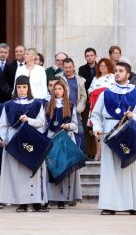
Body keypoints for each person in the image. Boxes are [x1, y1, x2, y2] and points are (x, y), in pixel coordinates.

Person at [92, 62, 136, 215]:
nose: (117, 73)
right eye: (116, 71)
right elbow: (96, 115)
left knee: (132, 169)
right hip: (110, 131)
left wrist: (133, 115)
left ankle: (135, 205)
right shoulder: (106, 93)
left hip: (130, 133)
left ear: (128, 74)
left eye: (121, 71)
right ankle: (110, 205)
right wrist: (96, 128)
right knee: (111, 169)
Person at [0, 75, 48, 212]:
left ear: (28, 88)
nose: (21, 90)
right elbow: (2, 125)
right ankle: (22, 202)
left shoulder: (37, 104)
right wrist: (2, 139)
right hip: (15, 139)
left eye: (24, 87)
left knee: (34, 170)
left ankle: (37, 202)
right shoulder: (8, 105)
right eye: (19, 87)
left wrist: (28, 120)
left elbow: (42, 123)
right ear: (15, 88)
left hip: (32, 138)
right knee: (18, 172)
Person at [45, 79, 82, 209]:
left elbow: (75, 125)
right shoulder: (47, 105)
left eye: (60, 89)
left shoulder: (70, 105)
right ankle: (50, 198)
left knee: (64, 168)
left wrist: (68, 125)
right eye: (55, 89)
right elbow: (44, 124)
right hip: (51, 138)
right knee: (51, 168)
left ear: (64, 91)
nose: (57, 91)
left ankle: (62, 199)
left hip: (65, 138)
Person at [57, 58, 87, 157]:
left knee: (80, 131)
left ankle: (81, 154)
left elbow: (83, 96)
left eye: (70, 67)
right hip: (62, 109)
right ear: (62, 67)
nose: (68, 69)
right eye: (66, 68)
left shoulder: (80, 80)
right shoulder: (58, 78)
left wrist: (79, 108)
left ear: (74, 67)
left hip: (76, 110)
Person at [87, 58, 115, 161]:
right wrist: (94, 92)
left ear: (109, 67)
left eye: (105, 65)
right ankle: (98, 152)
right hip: (95, 106)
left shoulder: (112, 77)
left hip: (108, 107)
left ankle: (107, 153)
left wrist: (102, 91)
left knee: (107, 128)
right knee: (96, 129)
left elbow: (114, 89)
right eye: (101, 66)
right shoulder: (96, 78)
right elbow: (90, 89)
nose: (102, 67)